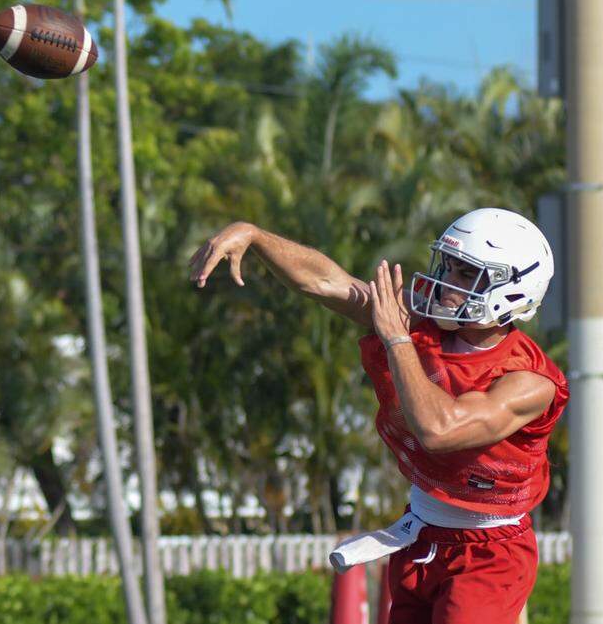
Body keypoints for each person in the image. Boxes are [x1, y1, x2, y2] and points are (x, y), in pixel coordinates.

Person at [189, 208, 568, 624]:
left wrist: (398, 339)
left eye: (466, 273)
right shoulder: (419, 323)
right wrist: (256, 234)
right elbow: (326, 282)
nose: (445, 283)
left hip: (489, 551)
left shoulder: (529, 381)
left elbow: (439, 430)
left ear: (511, 291)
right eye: (448, 265)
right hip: (423, 533)